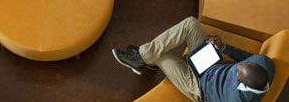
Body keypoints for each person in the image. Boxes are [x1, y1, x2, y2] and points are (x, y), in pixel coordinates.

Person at [112, 17, 275, 102]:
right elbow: (244, 57)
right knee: (190, 24)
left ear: (243, 85)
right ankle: (142, 57)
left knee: (161, 56)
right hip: (213, 61)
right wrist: (222, 47)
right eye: (241, 66)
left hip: (198, 85)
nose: (237, 66)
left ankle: (141, 58)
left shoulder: (236, 100)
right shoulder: (264, 63)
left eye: (238, 71)